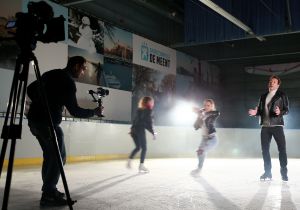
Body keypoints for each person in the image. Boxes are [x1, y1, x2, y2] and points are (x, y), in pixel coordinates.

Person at [27, 56, 102, 207]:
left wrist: (42, 101)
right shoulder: (68, 82)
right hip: (47, 124)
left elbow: (30, 89)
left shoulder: (52, 73)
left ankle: (49, 190)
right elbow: (75, 111)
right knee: (58, 158)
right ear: (75, 66)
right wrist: (94, 112)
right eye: (83, 68)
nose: (83, 72)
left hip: (34, 121)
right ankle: (48, 194)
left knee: (50, 156)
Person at [248, 75, 289, 181]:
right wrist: (256, 113)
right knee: (265, 150)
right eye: (270, 81)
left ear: (278, 84)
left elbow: (287, 110)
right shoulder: (263, 96)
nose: (272, 83)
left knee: (282, 150)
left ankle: (284, 173)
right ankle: (267, 172)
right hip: (265, 127)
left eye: (274, 82)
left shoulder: (281, 95)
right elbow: (261, 111)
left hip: (277, 126)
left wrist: (280, 112)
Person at [127, 96, 157, 173]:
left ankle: (129, 161)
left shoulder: (139, 109)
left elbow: (135, 120)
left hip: (134, 130)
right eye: (152, 101)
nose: (153, 103)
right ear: (148, 102)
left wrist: (132, 129)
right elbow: (148, 123)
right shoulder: (148, 110)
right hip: (140, 130)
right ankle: (141, 165)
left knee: (138, 147)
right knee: (144, 148)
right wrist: (153, 132)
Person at [191, 99, 220, 175]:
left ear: (212, 106)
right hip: (204, 138)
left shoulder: (214, 114)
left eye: (208, 105)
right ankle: (199, 168)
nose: (206, 107)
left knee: (202, 151)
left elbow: (216, 113)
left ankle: (199, 169)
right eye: (205, 105)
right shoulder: (201, 114)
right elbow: (195, 126)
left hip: (212, 139)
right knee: (199, 153)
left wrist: (200, 112)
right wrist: (198, 114)